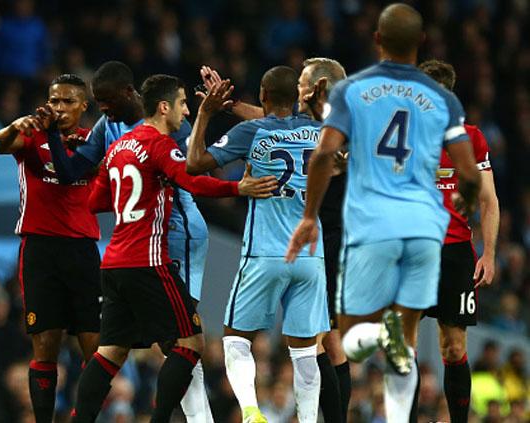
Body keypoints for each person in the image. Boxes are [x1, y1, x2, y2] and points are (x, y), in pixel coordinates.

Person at [285, 4, 482, 423]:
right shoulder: (442, 101)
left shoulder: (357, 91)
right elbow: (466, 171)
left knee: (369, 338)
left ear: (378, 40)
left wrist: (308, 215)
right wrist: (464, 195)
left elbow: (324, 155)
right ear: (420, 43)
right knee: (403, 341)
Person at [71, 74, 277, 423]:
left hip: (115, 262)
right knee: (191, 343)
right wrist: (237, 189)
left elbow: (94, 200)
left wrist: (134, 199)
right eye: (182, 103)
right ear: (163, 107)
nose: (185, 110)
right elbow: (191, 179)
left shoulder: (119, 147)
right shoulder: (159, 144)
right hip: (148, 262)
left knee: (111, 351)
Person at [45, 61, 216, 421]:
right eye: (97, 101)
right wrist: (53, 138)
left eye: (106, 100)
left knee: (177, 339)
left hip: (177, 232)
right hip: (139, 245)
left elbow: (193, 175)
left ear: (128, 92)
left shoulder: (171, 126)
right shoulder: (110, 126)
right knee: (170, 342)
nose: (101, 108)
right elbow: (72, 171)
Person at [199, 58, 351, 423]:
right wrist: (232, 105)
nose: (298, 88)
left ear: (319, 87)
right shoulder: (314, 122)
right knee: (322, 341)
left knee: (324, 341)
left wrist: (222, 110)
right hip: (312, 234)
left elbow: (274, 123)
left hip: (324, 232)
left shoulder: (337, 121)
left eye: (302, 82)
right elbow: (276, 122)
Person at [0, 73, 101, 423]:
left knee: (96, 349)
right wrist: (14, 125)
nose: (60, 107)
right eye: (54, 100)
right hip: (40, 249)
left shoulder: (93, 142)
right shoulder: (29, 135)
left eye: (68, 101)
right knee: (45, 345)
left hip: (82, 249)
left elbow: (73, 172)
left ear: (84, 106)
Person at [419, 59, 500, 423]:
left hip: (455, 254)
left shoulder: (472, 139)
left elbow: (489, 201)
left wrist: (490, 254)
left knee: (453, 347)